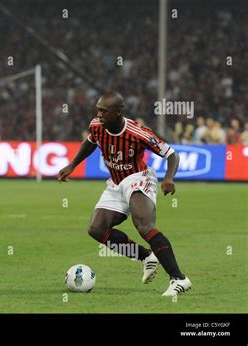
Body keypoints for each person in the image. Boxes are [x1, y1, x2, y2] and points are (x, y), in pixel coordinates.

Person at [57, 91, 191, 297]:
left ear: (118, 113)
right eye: (98, 109)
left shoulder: (138, 133)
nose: (99, 114)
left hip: (138, 178)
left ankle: (179, 279)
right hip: (116, 183)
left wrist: (169, 178)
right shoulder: (97, 126)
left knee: (144, 226)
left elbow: (171, 154)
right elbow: (90, 142)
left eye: (104, 111)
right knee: (96, 229)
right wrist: (72, 165)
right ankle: (146, 256)